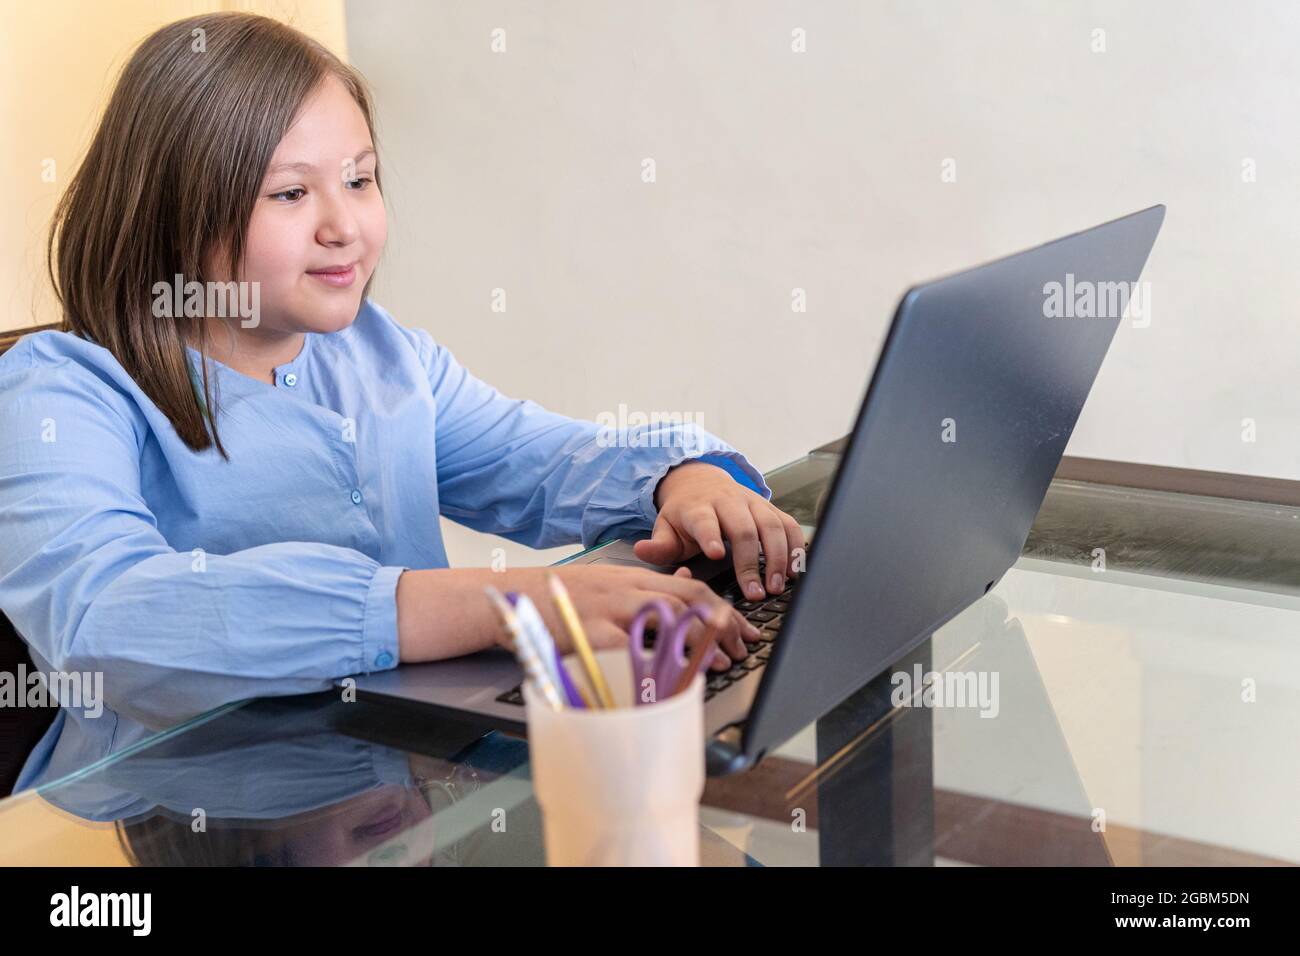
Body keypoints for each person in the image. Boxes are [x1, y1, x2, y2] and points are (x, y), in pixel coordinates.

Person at [0, 13, 805, 791]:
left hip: (396, 777)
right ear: (171, 208)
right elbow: (101, 621)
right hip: (168, 814)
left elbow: (535, 458)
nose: (344, 225)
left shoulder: (381, 355)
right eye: (289, 194)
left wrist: (680, 476)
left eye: (360, 179)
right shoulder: (62, 388)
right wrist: (494, 604)